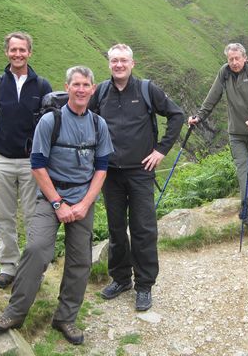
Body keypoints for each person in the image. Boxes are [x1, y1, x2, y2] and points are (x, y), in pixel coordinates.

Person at [0, 66, 113, 345]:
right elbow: (37, 165)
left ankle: (65, 318)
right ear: (67, 87)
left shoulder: (98, 124)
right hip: (50, 197)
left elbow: (101, 168)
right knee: (36, 250)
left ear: (93, 90)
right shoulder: (50, 121)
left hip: (83, 200)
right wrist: (58, 203)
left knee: (80, 260)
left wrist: (83, 205)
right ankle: (15, 312)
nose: (81, 90)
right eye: (76, 84)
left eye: (86, 85)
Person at [89, 44, 184, 312]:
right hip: (110, 173)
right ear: (109, 64)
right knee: (116, 229)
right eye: (114, 61)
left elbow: (176, 116)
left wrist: (160, 151)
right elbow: (86, 119)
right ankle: (120, 279)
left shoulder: (146, 89)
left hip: (141, 172)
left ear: (133, 63)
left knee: (143, 229)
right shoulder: (102, 92)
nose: (118, 65)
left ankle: (144, 285)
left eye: (123, 61)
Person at [0, 31, 52, 289]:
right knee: (4, 215)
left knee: (34, 216)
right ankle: (8, 267)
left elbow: (50, 124)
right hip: (3, 160)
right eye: (13, 50)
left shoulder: (42, 86)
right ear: (6, 52)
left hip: (33, 163)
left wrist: (42, 158)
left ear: (30, 52)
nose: (18, 54)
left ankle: (33, 269)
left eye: (22, 50)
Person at [188, 43, 248, 225]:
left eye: (237, 58)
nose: (233, 62)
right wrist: (199, 117)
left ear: (244, 58)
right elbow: (213, 96)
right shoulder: (224, 73)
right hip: (236, 132)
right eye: (230, 59)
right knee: (242, 169)